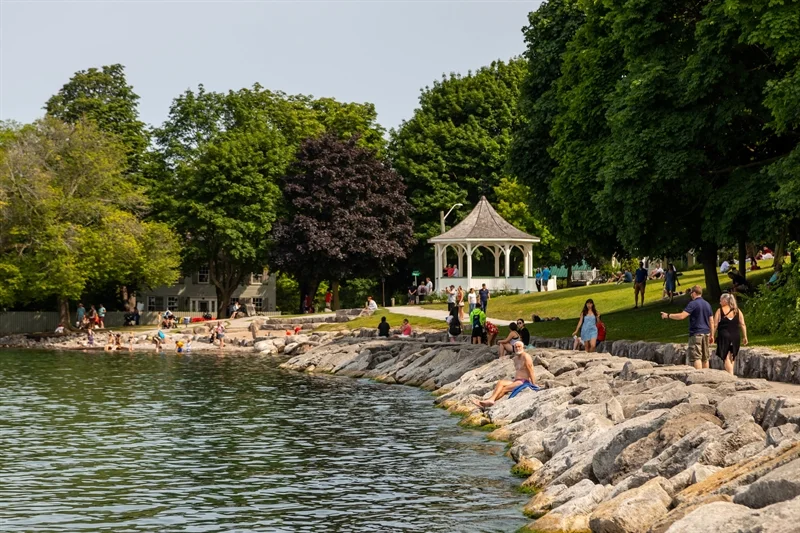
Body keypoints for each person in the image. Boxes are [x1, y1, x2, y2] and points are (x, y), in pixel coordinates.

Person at [661, 285, 714, 370]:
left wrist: (668, 315)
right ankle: (707, 375)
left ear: (694, 293)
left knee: (697, 357)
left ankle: (700, 377)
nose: (690, 295)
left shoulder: (693, 304)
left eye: (691, 293)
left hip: (696, 334)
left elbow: (682, 316)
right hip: (706, 333)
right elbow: (711, 320)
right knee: (705, 358)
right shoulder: (707, 304)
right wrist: (712, 334)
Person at [471, 342, 536, 408]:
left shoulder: (526, 357)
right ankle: (490, 399)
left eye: (519, 347)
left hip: (524, 381)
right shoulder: (515, 359)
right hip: (516, 381)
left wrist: (534, 384)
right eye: (516, 347)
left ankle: (488, 402)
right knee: (500, 382)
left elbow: (530, 371)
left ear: (523, 347)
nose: (517, 348)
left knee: (504, 389)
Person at [712, 293, 748, 375]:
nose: (720, 302)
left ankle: (731, 375)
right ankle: (731, 374)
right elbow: (742, 324)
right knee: (733, 356)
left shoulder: (719, 311)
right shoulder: (737, 311)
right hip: (735, 336)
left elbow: (715, 325)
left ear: (725, 301)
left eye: (721, 300)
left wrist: (712, 335)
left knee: (725, 356)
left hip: (724, 336)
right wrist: (745, 336)